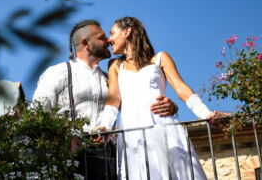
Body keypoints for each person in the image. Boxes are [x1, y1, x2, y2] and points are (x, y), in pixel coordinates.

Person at [32, 19, 177, 180]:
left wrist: (171, 106)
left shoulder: (112, 79)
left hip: (109, 161)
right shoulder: (57, 73)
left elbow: (136, 104)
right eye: (102, 37)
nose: (108, 40)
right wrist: (64, 138)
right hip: (71, 158)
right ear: (86, 42)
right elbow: (38, 116)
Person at [99, 16, 229, 180]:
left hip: (162, 127)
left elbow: (181, 88)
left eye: (112, 33)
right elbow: (113, 99)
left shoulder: (160, 58)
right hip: (132, 133)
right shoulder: (115, 65)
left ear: (127, 31)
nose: (109, 39)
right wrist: (104, 126)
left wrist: (206, 114)